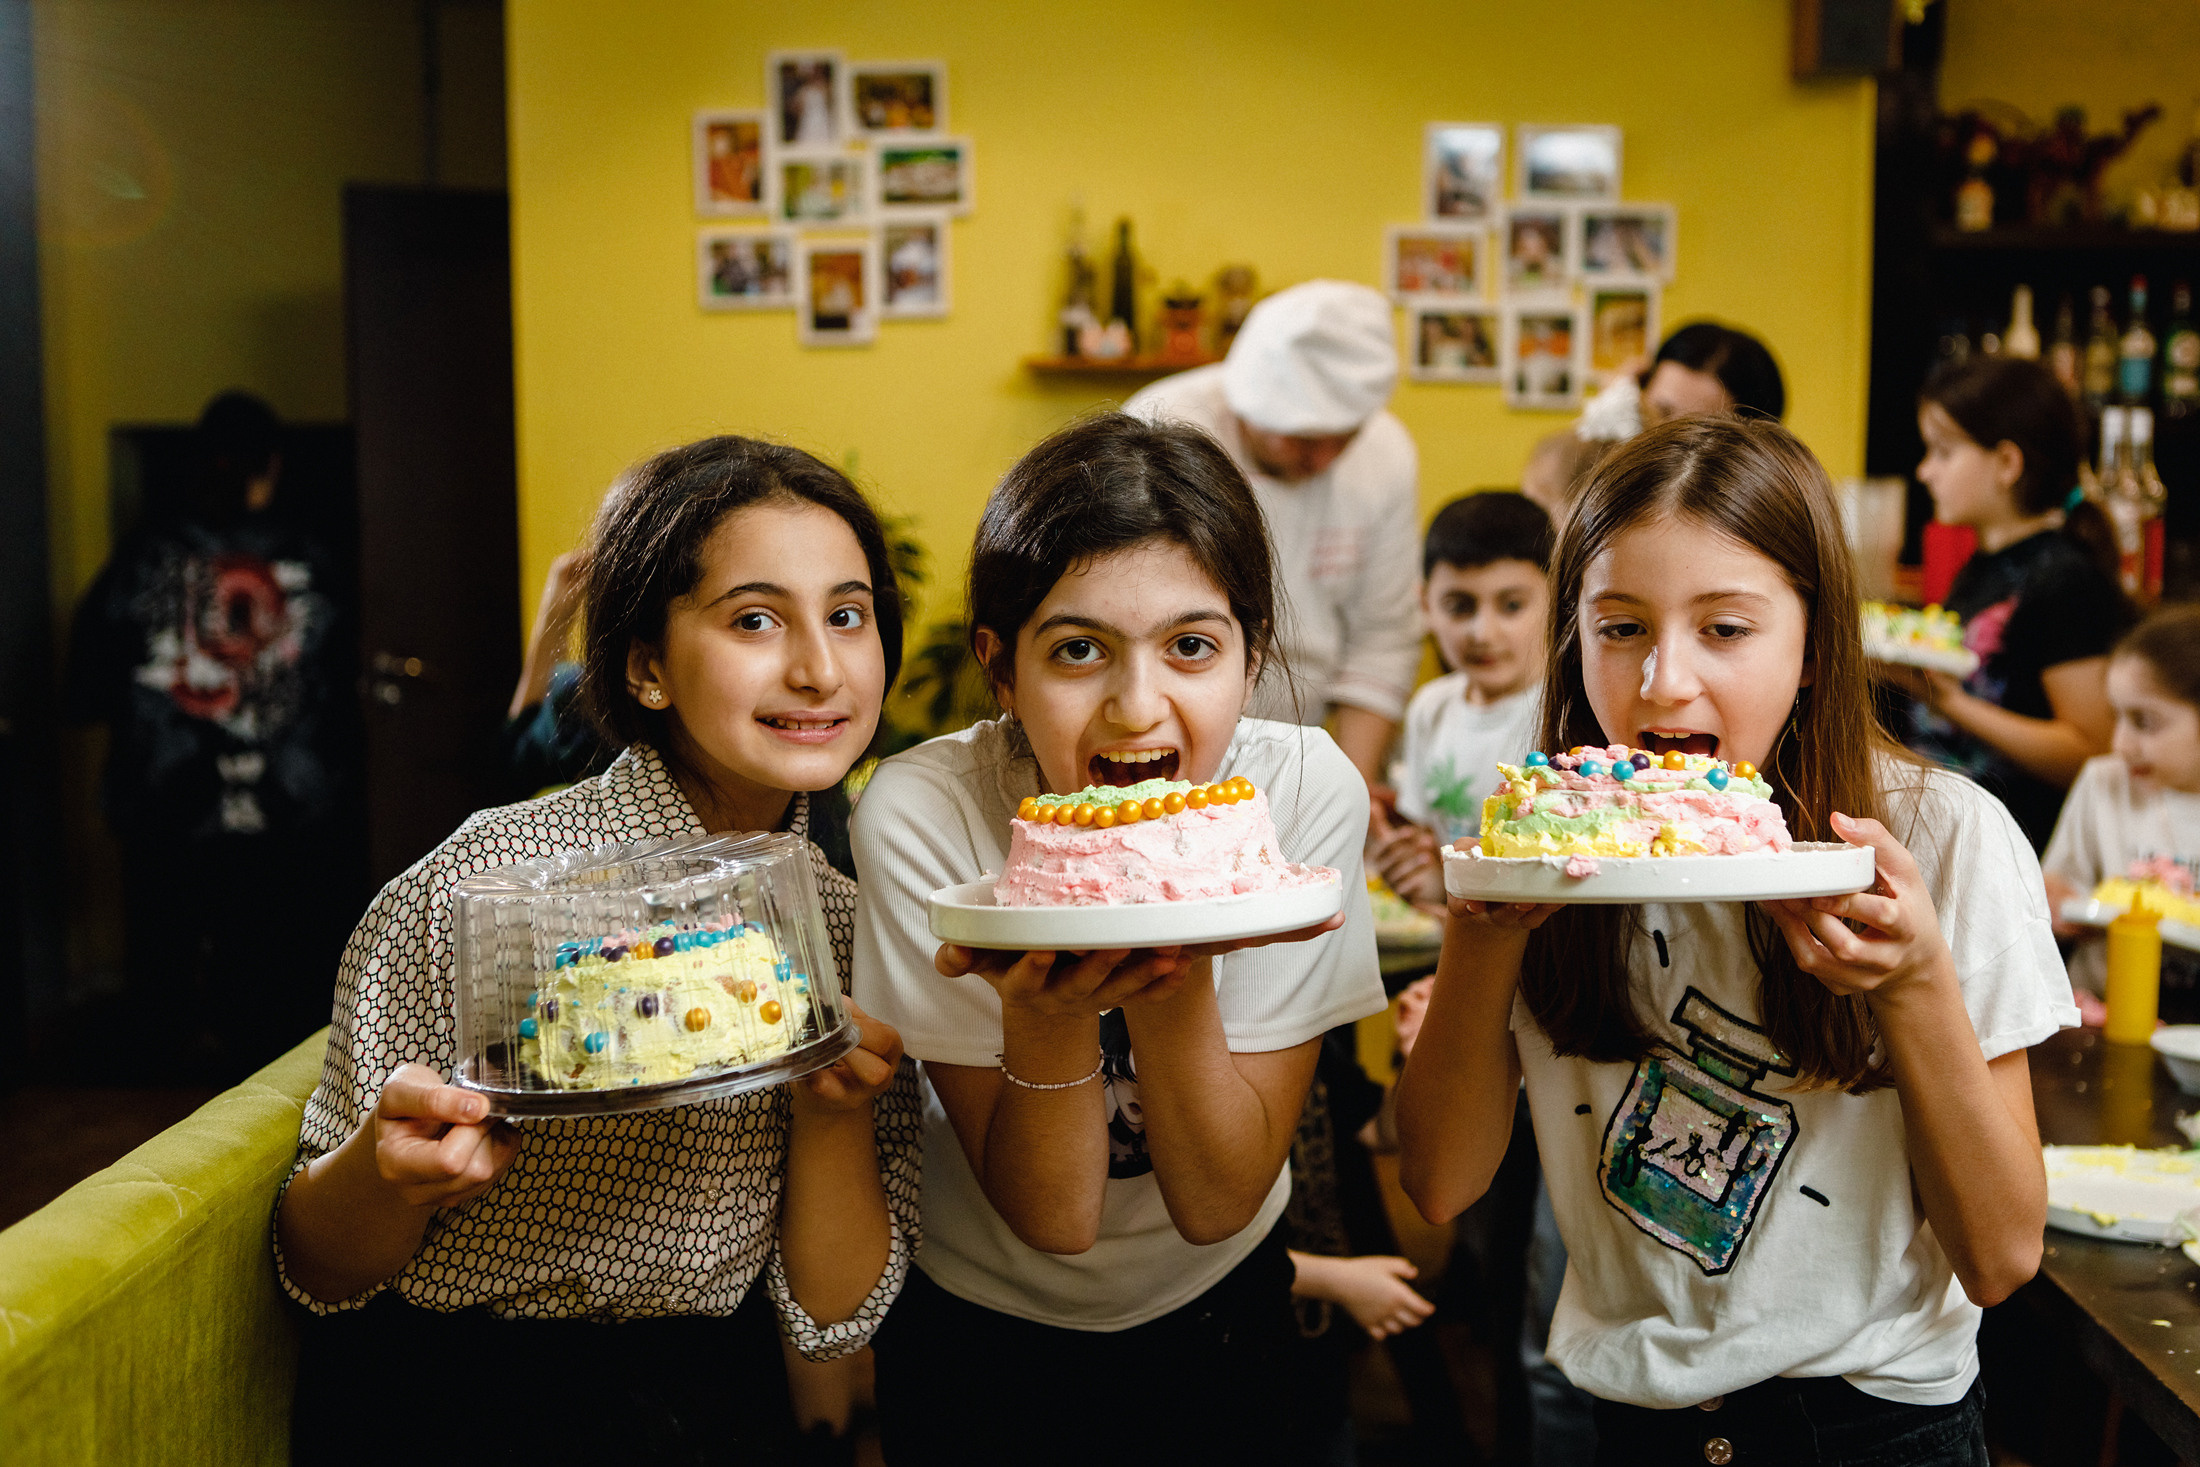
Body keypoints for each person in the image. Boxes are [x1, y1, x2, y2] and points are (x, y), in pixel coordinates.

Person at [1395, 416, 2075, 1467]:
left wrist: (1914, 981)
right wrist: (1480, 940)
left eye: (1725, 630)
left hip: (1871, 1426)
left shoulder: (1937, 837)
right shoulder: (1547, 848)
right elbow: (1439, 1183)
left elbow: (1998, 1256)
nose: (1663, 682)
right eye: (1619, 628)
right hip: (1635, 1425)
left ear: (1811, 648)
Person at [274, 437, 921, 1465]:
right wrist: (389, 1173)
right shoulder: (477, 889)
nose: (819, 667)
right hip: (449, 1402)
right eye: (755, 619)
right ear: (646, 667)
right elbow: (315, 1267)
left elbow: (831, 1317)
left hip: (711, 1403)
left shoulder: (849, 925)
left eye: (847, 615)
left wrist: (829, 1111)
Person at [849, 412, 1387, 1466]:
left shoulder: (1299, 791)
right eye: (1078, 650)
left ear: (1252, 656)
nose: (1137, 709)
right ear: (999, 669)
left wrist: (1170, 975)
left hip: (1224, 1301)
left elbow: (1218, 1201)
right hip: (981, 1326)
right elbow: (1052, 1220)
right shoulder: (926, 816)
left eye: (1192, 646)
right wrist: (1040, 1014)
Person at [65, 389, 360, 1081]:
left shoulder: (146, 551)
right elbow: (345, 674)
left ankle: (157, 1099)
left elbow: (86, 673)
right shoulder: (316, 554)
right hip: (283, 804)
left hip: (167, 798)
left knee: (162, 958)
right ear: (274, 465)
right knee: (268, 972)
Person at [1125, 280, 1423, 785]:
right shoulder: (1161, 429)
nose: (1323, 459)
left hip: (1307, 744)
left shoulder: (1387, 454)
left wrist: (1350, 789)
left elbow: (1384, 635)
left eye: (1342, 438)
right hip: (1159, 740)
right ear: (1248, 403)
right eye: (1302, 439)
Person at [1887, 355, 2127, 850]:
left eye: (1944, 452)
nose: (1925, 470)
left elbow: (2091, 752)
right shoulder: (1983, 566)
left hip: (2012, 847)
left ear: (2007, 464)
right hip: (1950, 829)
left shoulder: (2065, 580)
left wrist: (1950, 702)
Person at [1371, 492, 1554, 915]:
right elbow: (1429, 848)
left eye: (1511, 605)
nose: (1482, 632)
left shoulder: (1563, 708)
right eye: (1459, 606)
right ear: (1425, 605)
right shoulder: (1429, 708)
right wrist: (1412, 865)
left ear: (1558, 597)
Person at [2043, 604, 2200, 1020]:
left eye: (2144, 722)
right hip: (2103, 1015)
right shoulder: (2104, 782)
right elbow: (2055, 889)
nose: (2120, 744)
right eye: (2117, 718)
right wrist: (2056, 905)